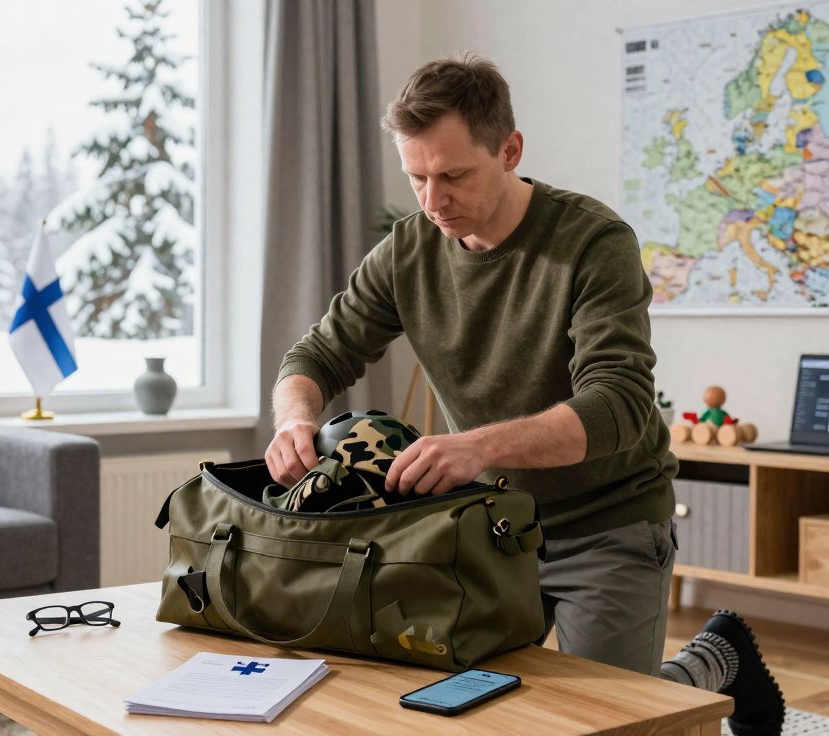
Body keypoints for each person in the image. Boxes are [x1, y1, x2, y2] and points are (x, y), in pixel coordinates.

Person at [265, 54, 785, 736]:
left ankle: (718, 659)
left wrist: (477, 447)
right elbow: (315, 355)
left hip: (608, 520)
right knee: (473, 710)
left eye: (453, 175)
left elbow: (621, 403)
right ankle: (710, 659)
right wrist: (294, 421)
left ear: (509, 151)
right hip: (493, 527)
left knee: (610, 722)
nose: (432, 200)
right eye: (416, 177)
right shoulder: (408, 249)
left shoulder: (593, 242)